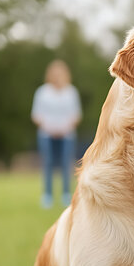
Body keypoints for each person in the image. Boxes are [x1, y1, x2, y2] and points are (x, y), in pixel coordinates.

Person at [31, 60, 82, 208]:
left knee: (67, 164)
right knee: (47, 163)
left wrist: (65, 127)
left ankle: (67, 194)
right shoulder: (42, 92)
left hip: (67, 135)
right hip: (46, 135)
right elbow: (36, 115)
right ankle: (47, 196)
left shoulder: (71, 92)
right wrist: (49, 127)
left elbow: (76, 115)